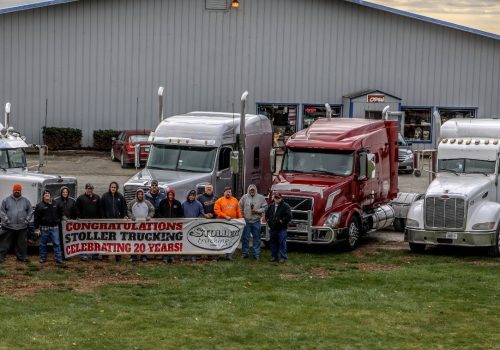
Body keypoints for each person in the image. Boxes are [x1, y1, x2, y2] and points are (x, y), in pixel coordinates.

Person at [0, 184, 33, 263]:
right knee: (4, 244)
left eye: (19, 190)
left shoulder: (26, 201)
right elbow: (2, 212)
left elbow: (30, 212)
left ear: (21, 191)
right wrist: (6, 220)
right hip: (8, 227)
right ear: (13, 190)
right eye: (16, 190)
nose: (17, 191)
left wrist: (27, 221)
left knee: (22, 244)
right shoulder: (6, 200)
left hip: (22, 227)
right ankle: (1, 257)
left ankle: (22, 257)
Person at [34, 190, 64, 265]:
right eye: (45, 194)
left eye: (48, 193)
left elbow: (61, 213)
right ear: (43, 196)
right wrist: (37, 228)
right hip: (44, 228)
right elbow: (36, 218)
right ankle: (42, 258)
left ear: (50, 195)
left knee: (56, 243)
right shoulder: (39, 205)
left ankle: (58, 259)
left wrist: (59, 220)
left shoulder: (55, 203)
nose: (47, 194)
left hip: (55, 228)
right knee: (42, 244)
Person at [100, 181, 127, 261]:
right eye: (112, 187)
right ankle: (105, 255)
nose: (113, 188)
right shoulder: (104, 196)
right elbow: (101, 208)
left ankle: (118, 255)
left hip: (118, 222)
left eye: (115, 187)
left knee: (118, 239)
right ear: (109, 187)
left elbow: (124, 208)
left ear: (117, 188)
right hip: (107, 222)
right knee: (107, 239)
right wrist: (103, 218)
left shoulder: (120, 197)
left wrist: (124, 216)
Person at [239, 184, 267, 260]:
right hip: (246, 221)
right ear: (248, 190)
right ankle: (245, 253)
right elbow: (239, 206)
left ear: (255, 190)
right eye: (251, 190)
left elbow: (265, 207)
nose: (252, 191)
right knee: (245, 238)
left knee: (257, 238)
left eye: (253, 190)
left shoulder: (261, 198)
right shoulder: (244, 197)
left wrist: (257, 211)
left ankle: (256, 254)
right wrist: (242, 215)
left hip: (256, 221)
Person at [214, 186, 242, 261]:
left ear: (231, 193)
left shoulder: (235, 200)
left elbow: (238, 211)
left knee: (230, 240)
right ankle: (218, 255)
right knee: (220, 239)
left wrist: (241, 219)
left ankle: (229, 255)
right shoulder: (219, 200)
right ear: (224, 193)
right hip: (222, 223)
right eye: (227, 192)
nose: (228, 193)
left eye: (229, 192)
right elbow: (217, 210)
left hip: (232, 224)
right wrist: (225, 216)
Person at [156, 189, 184, 263]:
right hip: (164, 225)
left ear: (174, 195)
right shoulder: (163, 202)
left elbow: (181, 214)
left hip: (174, 226)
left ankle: (172, 256)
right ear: (167, 195)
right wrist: (162, 218)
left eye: (172, 195)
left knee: (173, 241)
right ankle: (165, 256)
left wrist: (177, 220)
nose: (170, 196)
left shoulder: (177, 203)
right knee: (165, 241)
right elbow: (158, 212)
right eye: (169, 195)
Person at [75, 183, 101, 261]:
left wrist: (100, 219)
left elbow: (100, 209)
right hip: (84, 223)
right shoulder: (80, 198)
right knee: (84, 239)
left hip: (95, 223)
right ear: (85, 189)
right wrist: (80, 217)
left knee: (95, 238)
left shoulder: (97, 197)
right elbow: (76, 209)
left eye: (91, 189)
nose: (90, 190)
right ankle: (84, 255)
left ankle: (95, 254)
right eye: (89, 189)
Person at [128, 188, 155, 262]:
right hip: (135, 225)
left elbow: (152, 210)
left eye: (141, 194)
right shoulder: (132, 202)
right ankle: (133, 256)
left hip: (144, 225)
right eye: (138, 194)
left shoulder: (147, 203)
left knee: (144, 240)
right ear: (136, 195)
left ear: (143, 195)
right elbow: (128, 210)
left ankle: (144, 256)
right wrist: (131, 217)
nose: (140, 195)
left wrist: (149, 216)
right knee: (134, 240)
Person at [265, 192, 292, 264]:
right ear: (274, 198)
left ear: (281, 198)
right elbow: (266, 215)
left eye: (278, 198)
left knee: (282, 243)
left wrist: (282, 221)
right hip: (273, 228)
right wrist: (268, 221)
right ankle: (274, 256)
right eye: (275, 197)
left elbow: (289, 217)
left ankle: (283, 257)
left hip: (282, 228)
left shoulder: (286, 206)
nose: (277, 199)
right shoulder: (271, 206)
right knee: (273, 243)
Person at [182, 190, 205, 262]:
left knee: (193, 241)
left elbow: (202, 214)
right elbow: (181, 214)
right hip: (186, 225)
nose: (191, 197)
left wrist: (197, 219)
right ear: (188, 196)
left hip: (195, 226)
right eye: (190, 195)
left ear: (195, 196)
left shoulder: (198, 204)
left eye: (193, 195)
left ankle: (193, 255)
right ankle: (184, 255)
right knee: (185, 240)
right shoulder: (184, 204)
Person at [54, 186, 76, 260]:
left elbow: (74, 212)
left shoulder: (72, 201)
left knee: (68, 240)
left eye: (66, 192)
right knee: (60, 239)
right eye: (63, 192)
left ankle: (67, 254)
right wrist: (60, 218)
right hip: (60, 224)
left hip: (69, 224)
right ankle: (60, 255)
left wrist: (72, 219)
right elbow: (55, 212)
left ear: (68, 193)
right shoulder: (56, 201)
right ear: (61, 193)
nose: (65, 193)